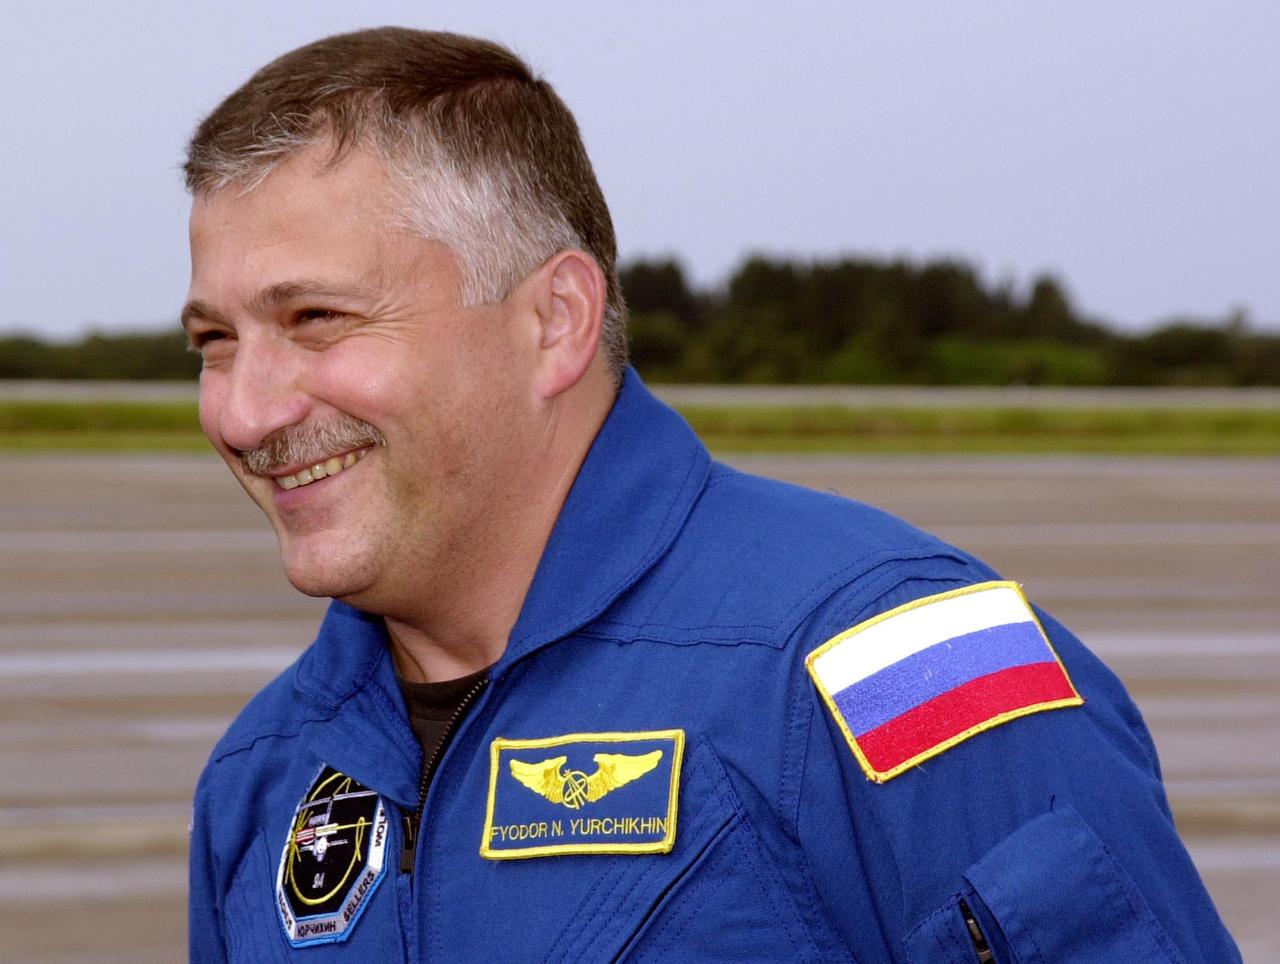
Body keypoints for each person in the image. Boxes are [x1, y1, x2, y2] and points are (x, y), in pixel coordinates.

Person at [182, 27, 1238, 963]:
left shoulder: (886, 668)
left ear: (552, 320)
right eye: (214, 341)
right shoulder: (266, 776)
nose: (241, 411)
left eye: (316, 318)